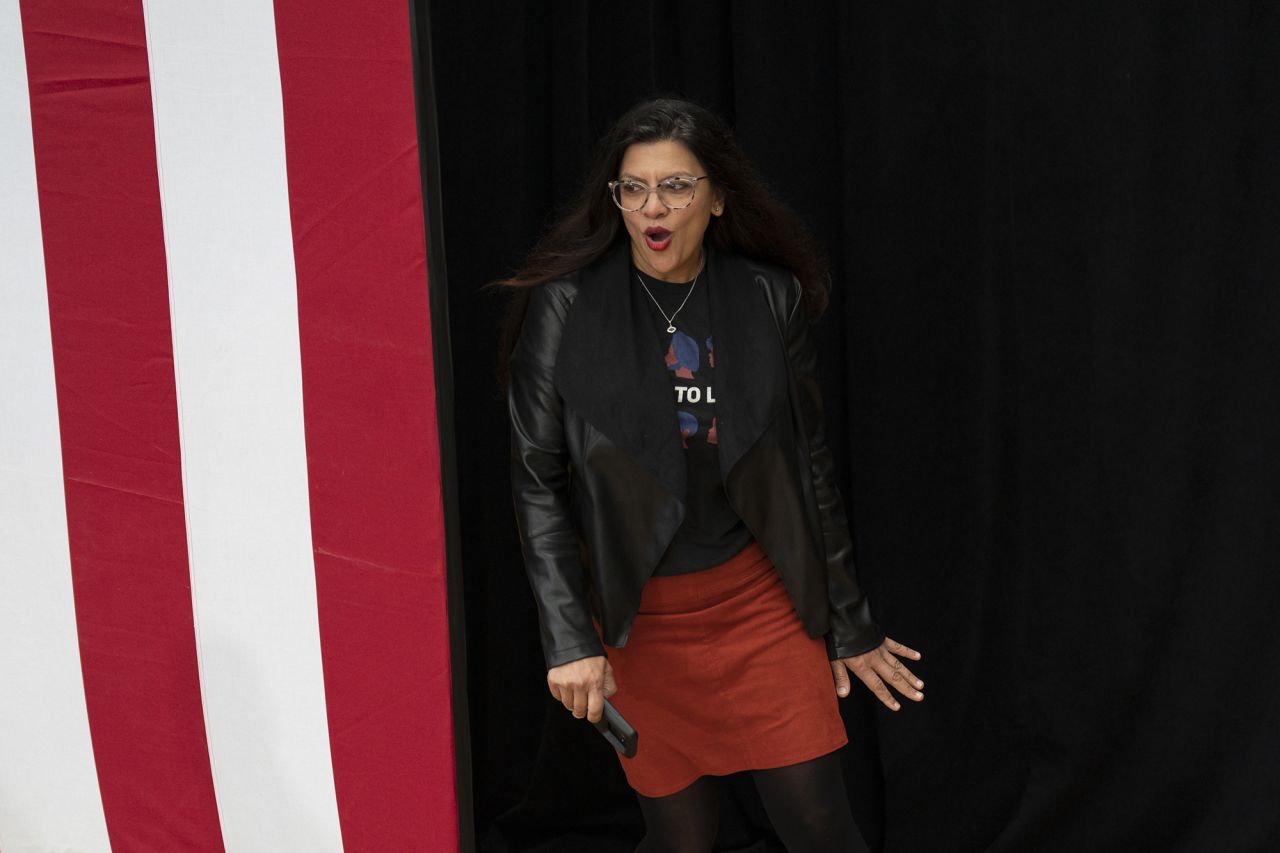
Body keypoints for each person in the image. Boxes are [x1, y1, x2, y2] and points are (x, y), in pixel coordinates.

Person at [499, 97, 924, 853]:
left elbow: (809, 466)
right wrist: (568, 639)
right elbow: (538, 479)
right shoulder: (562, 308)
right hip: (641, 624)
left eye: (676, 186)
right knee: (681, 837)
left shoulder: (768, 297)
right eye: (633, 189)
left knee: (819, 820)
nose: (652, 207)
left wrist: (850, 622)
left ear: (717, 196)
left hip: (758, 602)